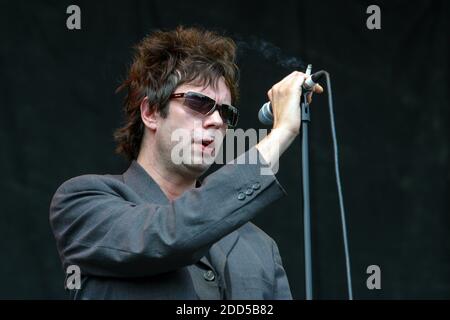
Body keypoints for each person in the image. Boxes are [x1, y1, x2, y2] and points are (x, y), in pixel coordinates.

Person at [49, 26, 323, 299]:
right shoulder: (81, 202)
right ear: (151, 112)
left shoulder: (262, 248)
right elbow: (168, 236)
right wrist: (282, 132)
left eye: (225, 112)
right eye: (198, 102)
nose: (216, 120)